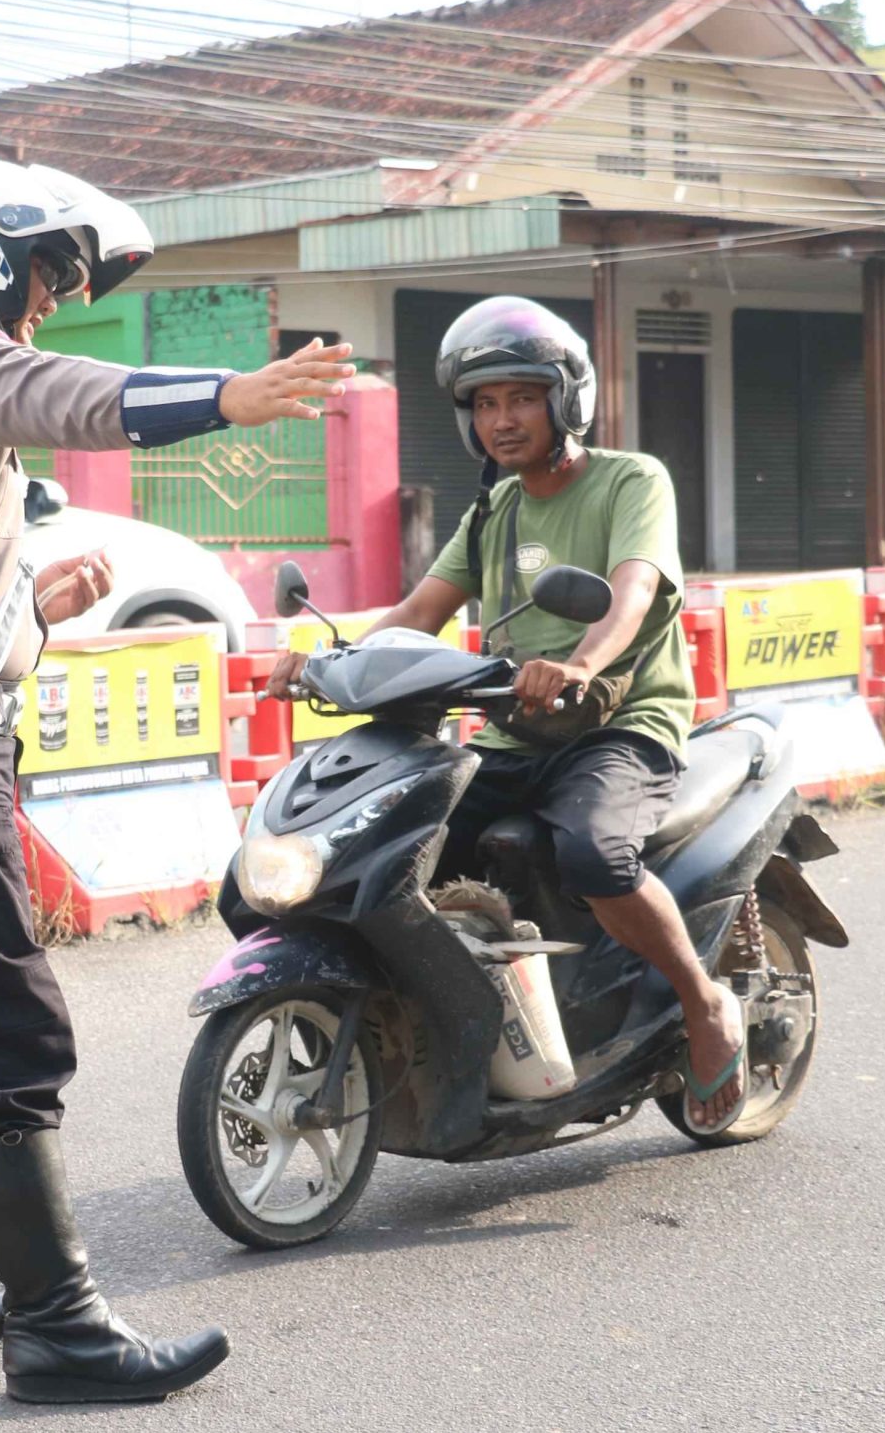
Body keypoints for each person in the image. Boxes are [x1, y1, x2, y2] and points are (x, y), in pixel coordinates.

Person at [0, 152, 355, 1403]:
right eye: (48, 270)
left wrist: (27, 607)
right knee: (3, 1029)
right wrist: (230, 392)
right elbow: (66, 394)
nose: (50, 299)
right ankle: (57, 1328)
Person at [264, 296, 749, 1136]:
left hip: (619, 726)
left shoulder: (633, 480)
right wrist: (326, 664)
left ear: (564, 399)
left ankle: (705, 1004)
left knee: (595, 852)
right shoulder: (494, 510)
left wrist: (580, 663)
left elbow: (632, 591)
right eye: (484, 403)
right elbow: (419, 609)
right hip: (512, 731)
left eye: (520, 397)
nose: (502, 420)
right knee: (388, 842)